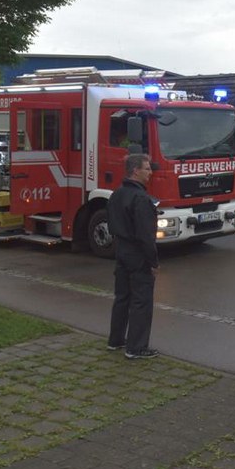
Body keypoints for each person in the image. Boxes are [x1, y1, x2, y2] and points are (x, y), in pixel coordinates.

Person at [107, 153, 160, 360]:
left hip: (121, 251)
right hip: (138, 255)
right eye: (147, 169)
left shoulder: (116, 194)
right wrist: (153, 262)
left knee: (122, 297)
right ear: (136, 171)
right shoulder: (141, 199)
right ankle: (136, 347)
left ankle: (116, 340)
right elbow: (146, 235)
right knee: (141, 301)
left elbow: (112, 223)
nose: (150, 172)